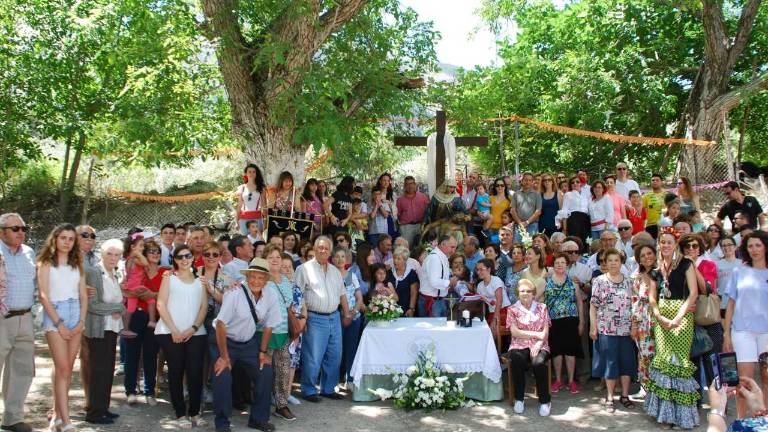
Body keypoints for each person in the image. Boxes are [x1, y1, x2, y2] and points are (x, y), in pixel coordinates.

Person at [212, 257, 282, 432]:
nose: (256, 281)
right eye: (253, 276)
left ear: (266, 280)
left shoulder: (271, 295)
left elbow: (269, 325)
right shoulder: (234, 293)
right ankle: (222, 423)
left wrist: (262, 352)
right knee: (223, 375)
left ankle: (258, 419)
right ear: (248, 276)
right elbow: (220, 324)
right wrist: (224, 356)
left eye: (261, 277)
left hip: (249, 343)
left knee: (265, 371)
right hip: (224, 341)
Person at [644, 228, 700, 429]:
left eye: (669, 242)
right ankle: (666, 415)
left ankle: (682, 416)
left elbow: (693, 293)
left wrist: (678, 318)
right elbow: (652, 296)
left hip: (682, 316)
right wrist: (658, 315)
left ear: (675, 244)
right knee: (664, 362)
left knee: (679, 363)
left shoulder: (686, 264)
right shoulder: (655, 270)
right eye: (663, 242)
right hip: (661, 318)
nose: (665, 245)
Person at [36, 224, 87, 432]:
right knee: (63, 367)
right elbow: (43, 295)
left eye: (71, 238)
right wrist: (59, 324)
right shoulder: (46, 263)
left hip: (76, 311)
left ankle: (57, 416)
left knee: (67, 369)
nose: (67, 242)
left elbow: (83, 294)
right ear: (55, 239)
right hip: (55, 313)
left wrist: (81, 321)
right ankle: (66, 422)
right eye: (63, 238)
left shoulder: (78, 263)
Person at [155, 244, 208, 427]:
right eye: (180, 257)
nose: (184, 259)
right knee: (176, 372)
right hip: (171, 333)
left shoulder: (200, 280)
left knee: (195, 373)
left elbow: (204, 307)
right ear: (175, 260)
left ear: (193, 257)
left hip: (196, 333)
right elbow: (160, 304)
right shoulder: (169, 278)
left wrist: (193, 328)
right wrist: (175, 330)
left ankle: (194, 413)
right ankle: (180, 414)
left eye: (187, 256)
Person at [295, 236, 353, 402]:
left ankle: (328, 388)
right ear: (314, 249)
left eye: (326, 248)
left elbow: (342, 294)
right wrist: (302, 318)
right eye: (320, 248)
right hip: (314, 318)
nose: (323, 251)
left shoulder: (335, 271)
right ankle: (308, 389)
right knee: (313, 356)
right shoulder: (303, 269)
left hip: (334, 317)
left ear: (330, 251)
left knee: (334, 356)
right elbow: (297, 296)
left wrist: (347, 314)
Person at [723, 231, 768, 418]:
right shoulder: (738, 271)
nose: (754, 249)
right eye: (750, 246)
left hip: (766, 333)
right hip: (741, 332)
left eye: (758, 245)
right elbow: (730, 305)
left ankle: (764, 419)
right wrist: (726, 333)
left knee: (766, 379)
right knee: (743, 381)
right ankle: (740, 422)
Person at [589, 248, 637, 413]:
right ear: (605, 263)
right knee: (610, 364)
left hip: (626, 330)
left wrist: (634, 326)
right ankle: (610, 396)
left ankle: (624, 395)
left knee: (626, 363)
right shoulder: (599, 281)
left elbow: (635, 306)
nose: (613, 263)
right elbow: (593, 306)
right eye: (610, 260)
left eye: (616, 260)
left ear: (621, 262)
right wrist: (593, 326)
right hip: (606, 330)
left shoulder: (630, 282)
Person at [83, 238, 125, 425]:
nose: (113, 258)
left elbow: (118, 303)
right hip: (98, 328)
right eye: (110, 253)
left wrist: (118, 308)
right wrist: (116, 309)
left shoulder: (114, 273)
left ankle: (103, 408)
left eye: (117, 255)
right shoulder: (94, 272)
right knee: (98, 370)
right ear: (102, 253)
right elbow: (92, 305)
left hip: (112, 329)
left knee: (107, 371)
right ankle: (94, 413)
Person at [123, 239, 165, 406]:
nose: (155, 254)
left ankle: (149, 391)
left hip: (154, 318)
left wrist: (152, 294)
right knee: (132, 354)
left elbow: (166, 294)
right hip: (136, 315)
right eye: (151, 251)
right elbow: (126, 287)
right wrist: (137, 293)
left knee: (150, 354)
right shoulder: (137, 268)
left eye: (158, 251)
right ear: (145, 254)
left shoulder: (165, 273)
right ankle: (131, 391)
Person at [506, 278, 552, 416]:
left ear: (533, 293)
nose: (525, 293)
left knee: (538, 363)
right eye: (522, 291)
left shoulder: (542, 308)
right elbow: (514, 332)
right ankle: (519, 399)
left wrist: (538, 343)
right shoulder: (512, 309)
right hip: (518, 344)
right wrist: (536, 334)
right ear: (518, 293)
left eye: (528, 291)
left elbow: (545, 333)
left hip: (540, 344)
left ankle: (545, 401)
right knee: (517, 359)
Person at [263, 245, 296, 421]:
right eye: (271, 257)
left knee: (283, 369)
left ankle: (281, 405)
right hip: (266, 333)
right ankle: (261, 404)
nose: (275, 259)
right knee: (265, 371)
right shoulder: (262, 280)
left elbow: (289, 306)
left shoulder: (285, 280)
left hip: (283, 332)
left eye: (277, 256)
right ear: (265, 260)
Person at [544, 253, 584, 395]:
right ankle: (558, 380)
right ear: (553, 265)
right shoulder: (546, 282)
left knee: (570, 351)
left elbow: (579, 302)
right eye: (557, 263)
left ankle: (572, 381)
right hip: (553, 321)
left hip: (570, 319)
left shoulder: (573, 282)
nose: (560, 265)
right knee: (556, 352)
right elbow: (541, 301)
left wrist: (581, 322)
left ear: (567, 265)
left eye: (562, 262)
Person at [630, 244, 659, 402]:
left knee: (660, 355)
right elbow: (634, 303)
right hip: (643, 322)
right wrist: (634, 325)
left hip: (661, 320)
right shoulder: (636, 277)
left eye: (649, 253)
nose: (647, 257)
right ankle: (645, 387)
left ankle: (659, 389)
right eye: (643, 255)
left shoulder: (662, 273)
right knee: (644, 356)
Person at [333, 247, 364, 386]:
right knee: (336, 350)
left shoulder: (352, 275)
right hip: (336, 317)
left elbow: (359, 298)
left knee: (351, 348)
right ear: (333, 259)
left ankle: (350, 380)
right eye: (337, 256)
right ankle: (334, 381)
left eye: (342, 256)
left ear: (346, 259)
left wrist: (353, 313)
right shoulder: (330, 275)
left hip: (353, 317)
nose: (340, 259)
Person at [418, 235, 458, 318]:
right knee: (433, 330)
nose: (454, 251)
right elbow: (434, 281)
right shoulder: (435, 258)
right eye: (452, 247)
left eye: (455, 248)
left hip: (438, 301)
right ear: (443, 244)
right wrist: (450, 282)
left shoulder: (441, 257)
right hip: (432, 301)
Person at [122, 232, 153, 337]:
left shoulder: (129, 259)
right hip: (135, 286)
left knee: (130, 308)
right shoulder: (134, 258)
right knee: (151, 300)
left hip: (131, 286)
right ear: (132, 247)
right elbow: (145, 263)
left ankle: (125, 328)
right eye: (141, 246)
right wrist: (139, 254)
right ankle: (152, 321)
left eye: (143, 246)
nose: (143, 248)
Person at [475, 259, 511, 332]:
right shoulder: (480, 286)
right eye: (477, 270)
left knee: (492, 332)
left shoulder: (496, 280)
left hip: (504, 312)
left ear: (489, 269)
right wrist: (483, 319)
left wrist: (494, 320)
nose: (478, 272)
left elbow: (499, 301)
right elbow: (483, 305)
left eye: (481, 269)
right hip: (492, 313)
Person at [396, 175, 429, 247]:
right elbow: (397, 214)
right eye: (407, 184)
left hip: (421, 226)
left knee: (422, 247)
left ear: (415, 184)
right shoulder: (400, 200)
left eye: (411, 183)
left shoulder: (423, 197)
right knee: (406, 248)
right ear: (404, 186)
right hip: (406, 227)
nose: (410, 186)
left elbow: (428, 211)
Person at [387, 246, 419, 317]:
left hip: (406, 310)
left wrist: (411, 309)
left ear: (405, 260)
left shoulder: (411, 274)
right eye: (394, 258)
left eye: (398, 259)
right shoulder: (389, 273)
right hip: (390, 310)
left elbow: (414, 293)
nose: (395, 261)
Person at [511, 172, 542, 242]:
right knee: (517, 247)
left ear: (532, 182)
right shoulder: (516, 194)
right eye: (525, 180)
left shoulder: (537, 195)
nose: (527, 182)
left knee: (530, 248)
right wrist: (520, 223)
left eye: (529, 180)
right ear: (522, 181)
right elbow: (512, 210)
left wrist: (527, 222)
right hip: (518, 226)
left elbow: (538, 211)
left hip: (532, 225)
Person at [236, 164, 266, 235]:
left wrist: (266, 219)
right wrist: (236, 221)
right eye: (249, 172)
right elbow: (239, 205)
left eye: (254, 172)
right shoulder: (242, 188)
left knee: (257, 242)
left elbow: (264, 204)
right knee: (244, 242)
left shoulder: (261, 187)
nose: (251, 173)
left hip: (257, 219)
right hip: (243, 219)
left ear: (256, 173)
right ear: (246, 173)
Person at [561, 176, 591, 246]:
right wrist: (565, 229)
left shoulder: (585, 196)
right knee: (575, 242)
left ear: (581, 183)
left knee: (586, 242)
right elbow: (564, 211)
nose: (575, 183)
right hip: (573, 220)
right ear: (570, 185)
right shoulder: (568, 195)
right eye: (572, 182)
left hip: (585, 220)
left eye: (577, 182)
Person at [716, 236, 741, 315]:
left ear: (735, 247)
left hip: (739, 305)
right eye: (724, 246)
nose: (726, 247)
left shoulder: (742, 264)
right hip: (722, 305)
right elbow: (715, 285)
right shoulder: (716, 264)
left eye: (729, 245)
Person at [643, 174, 667, 239]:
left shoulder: (667, 195)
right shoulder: (646, 196)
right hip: (651, 226)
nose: (655, 182)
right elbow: (640, 211)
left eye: (657, 180)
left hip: (665, 225)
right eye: (653, 180)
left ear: (661, 182)